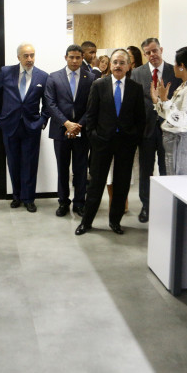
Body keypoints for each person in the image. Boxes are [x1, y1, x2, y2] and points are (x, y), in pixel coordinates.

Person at [75, 49, 145, 236]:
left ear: (128, 66)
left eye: (122, 62)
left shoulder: (135, 88)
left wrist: (133, 138)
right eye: (115, 62)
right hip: (102, 143)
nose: (117, 66)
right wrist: (94, 137)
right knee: (96, 185)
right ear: (110, 64)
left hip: (126, 144)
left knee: (121, 185)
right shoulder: (99, 85)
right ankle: (86, 222)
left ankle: (115, 222)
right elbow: (91, 114)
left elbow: (140, 118)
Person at [0, 43, 49, 212]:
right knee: (13, 163)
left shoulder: (43, 76)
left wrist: (42, 120)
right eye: (26, 56)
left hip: (31, 127)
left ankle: (29, 199)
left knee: (30, 164)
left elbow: (48, 103)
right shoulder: (6, 72)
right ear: (18, 57)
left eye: (32, 55)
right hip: (10, 126)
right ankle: (17, 196)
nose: (30, 59)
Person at [130, 37, 179, 223]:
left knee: (167, 169)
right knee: (146, 170)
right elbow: (134, 103)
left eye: (155, 51)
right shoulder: (137, 73)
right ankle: (146, 206)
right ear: (144, 54)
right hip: (146, 130)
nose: (152, 55)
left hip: (169, 130)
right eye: (148, 52)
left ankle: (166, 205)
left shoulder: (174, 72)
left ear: (161, 50)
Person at [44, 45, 95, 217]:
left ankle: (79, 203)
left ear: (82, 58)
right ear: (65, 57)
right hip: (61, 130)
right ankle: (63, 202)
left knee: (81, 169)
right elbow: (50, 104)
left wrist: (78, 125)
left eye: (78, 57)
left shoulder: (91, 78)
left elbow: (92, 106)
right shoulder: (53, 77)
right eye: (71, 57)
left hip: (82, 130)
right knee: (62, 168)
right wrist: (67, 123)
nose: (74, 61)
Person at [151, 47, 187, 175]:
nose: (174, 67)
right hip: (175, 142)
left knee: (179, 184)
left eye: (176, 63)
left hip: (182, 142)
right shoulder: (184, 85)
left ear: (182, 66)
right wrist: (157, 101)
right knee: (173, 181)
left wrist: (165, 100)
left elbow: (181, 119)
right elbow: (170, 115)